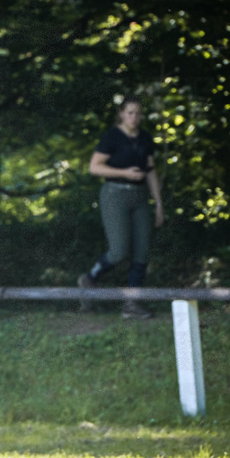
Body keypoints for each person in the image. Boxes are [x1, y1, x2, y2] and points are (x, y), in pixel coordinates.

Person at [78, 95, 164, 319]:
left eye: (138, 113)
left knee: (142, 251)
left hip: (140, 196)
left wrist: (159, 203)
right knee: (119, 250)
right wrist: (124, 173)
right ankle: (90, 278)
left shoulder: (145, 138)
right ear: (121, 114)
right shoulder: (112, 137)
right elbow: (95, 167)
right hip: (115, 194)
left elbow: (151, 170)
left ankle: (132, 304)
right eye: (130, 112)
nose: (134, 117)